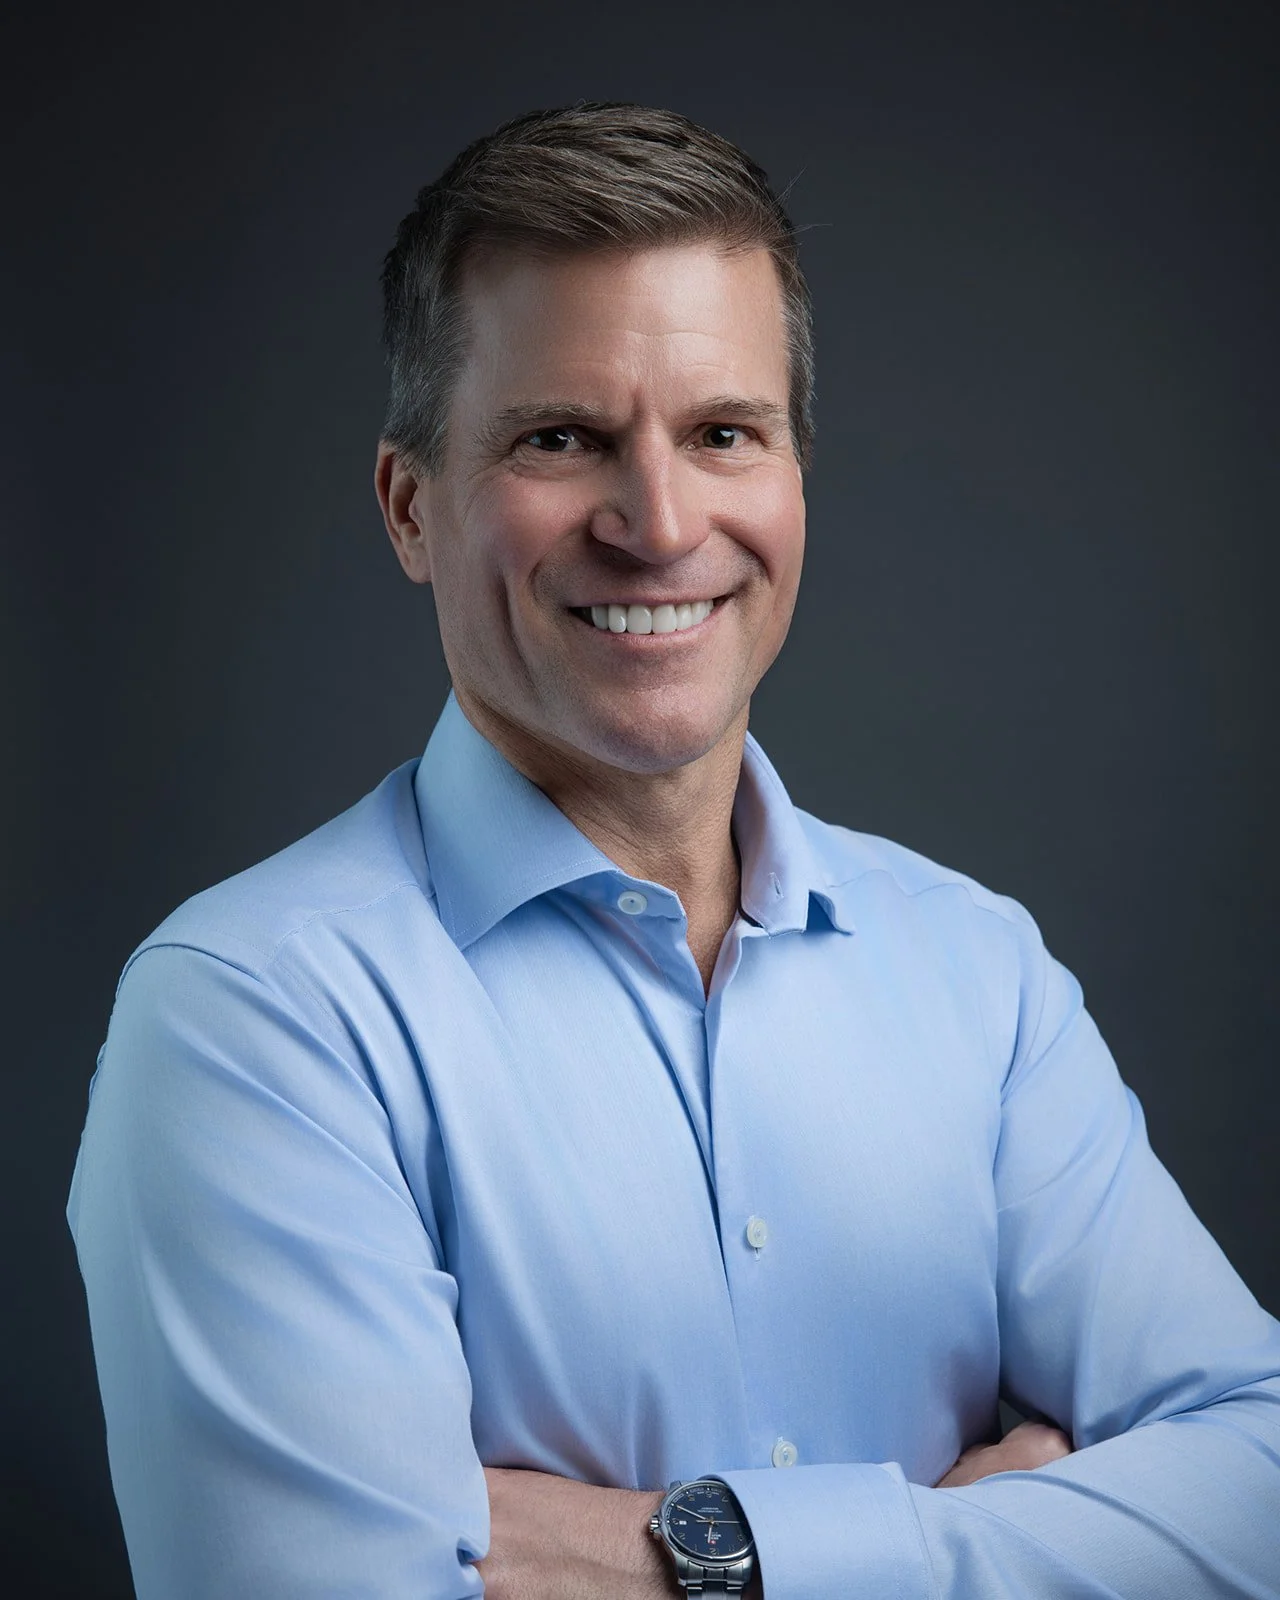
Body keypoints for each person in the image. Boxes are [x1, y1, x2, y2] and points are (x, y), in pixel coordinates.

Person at [68, 103, 1280, 1600]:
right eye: (562, 439)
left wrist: (698, 1560)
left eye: (722, 434)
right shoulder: (252, 1017)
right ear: (409, 509)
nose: (658, 523)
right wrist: (995, 1533)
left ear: (793, 479)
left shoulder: (980, 972)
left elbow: (1259, 1475)